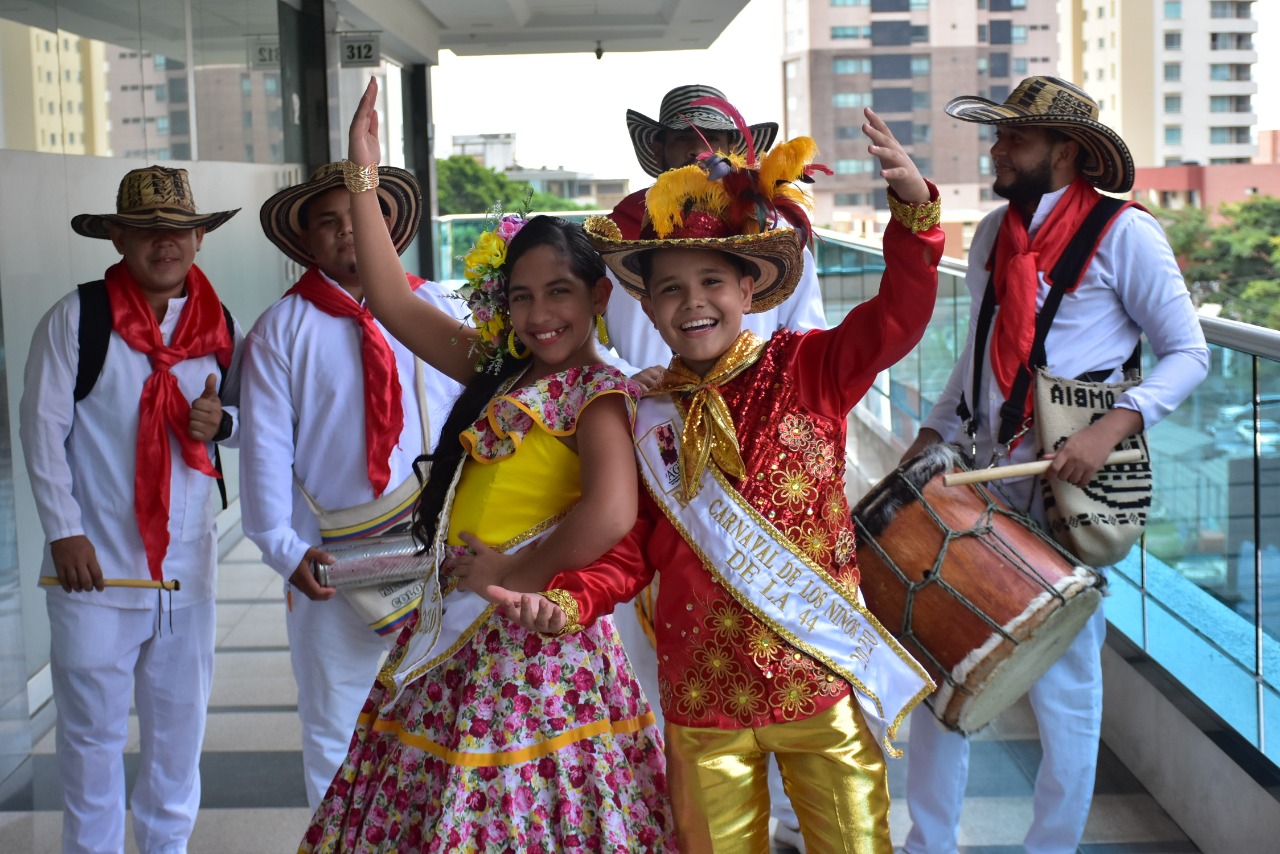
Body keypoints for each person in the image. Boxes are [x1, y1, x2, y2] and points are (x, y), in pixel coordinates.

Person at [497, 106, 945, 853]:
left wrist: (914, 217)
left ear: (750, 289)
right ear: (646, 304)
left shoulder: (808, 369)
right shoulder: (644, 413)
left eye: (712, 280)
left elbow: (899, 317)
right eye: (670, 289)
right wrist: (573, 599)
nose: (693, 301)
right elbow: (633, 548)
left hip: (819, 689)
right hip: (700, 703)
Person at [299, 79, 673, 851]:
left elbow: (609, 515)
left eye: (560, 294)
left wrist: (517, 568)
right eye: (522, 297)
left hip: (535, 642)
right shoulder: (501, 367)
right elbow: (395, 303)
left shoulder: (601, 393)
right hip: (460, 623)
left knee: (516, 810)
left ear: (599, 296)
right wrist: (362, 174)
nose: (540, 316)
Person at [897, 77, 1210, 854]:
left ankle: (1053, 847)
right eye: (1000, 136)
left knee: (1067, 689)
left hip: (1067, 484)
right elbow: (976, 357)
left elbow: (1189, 353)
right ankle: (930, 842)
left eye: (1016, 140)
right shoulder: (992, 233)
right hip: (979, 475)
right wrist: (930, 434)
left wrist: (1109, 430)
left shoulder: (1128, 234)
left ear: (1065, 153)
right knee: (942, 660)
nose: (998, 150)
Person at [612, 83, 828, 851]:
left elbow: (811, 353)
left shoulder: (775, 235)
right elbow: (594, 356)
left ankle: (801, 825)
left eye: (718, 141)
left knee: (798, 675)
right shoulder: (618, 240)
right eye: (684, 142)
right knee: (666, 679)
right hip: (655, 486)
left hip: (766, 490)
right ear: (660, 154)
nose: (702, 154)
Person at [19, 165, 242, 854]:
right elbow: (40, 428)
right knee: (90, 744)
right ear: (117, 236)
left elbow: (245, 415)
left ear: (200, 238)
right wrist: (64, 532)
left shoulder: (219, 324)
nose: (163, 242)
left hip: (186, 574)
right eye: (145, 230)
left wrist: (221, 422)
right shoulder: (78, 319)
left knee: (178, 742)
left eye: (177, 229)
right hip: (96, 571)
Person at [239, 162, 465, 809]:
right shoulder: (280, 331)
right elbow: (264, 453)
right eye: (328, 223)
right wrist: (283, 550)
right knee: (335, 734)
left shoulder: (442, 308)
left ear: (387, 225)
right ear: (305, 242)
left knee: (443, 723)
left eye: (359, 217)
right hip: (331, 565)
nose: (347, 233)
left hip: (446, 560)